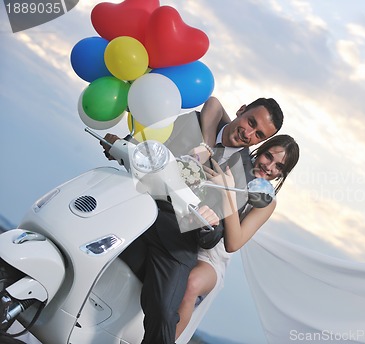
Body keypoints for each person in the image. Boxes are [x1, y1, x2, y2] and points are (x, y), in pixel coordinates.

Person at [101, 96, 284, 344]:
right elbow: (150, 145)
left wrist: (211, 223)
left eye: (258, 135)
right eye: (251, 122)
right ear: (241, 110)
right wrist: (122, 146)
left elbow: (215, 236)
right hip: (135, 206)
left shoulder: (243, 178)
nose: (249, 133)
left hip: (177, 238)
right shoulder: (196, 121)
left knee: (165, 310)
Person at [175, 134, 300, 342]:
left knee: (192, 284)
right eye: (268, 156)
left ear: (282, 174)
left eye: (279, 167)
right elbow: (216, 111)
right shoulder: (234, 164)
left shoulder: (267, 203)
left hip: (211, 257)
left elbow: (234, 243)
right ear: (260, 150)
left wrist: (228, 194)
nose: (269, 167)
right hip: (189, 233)